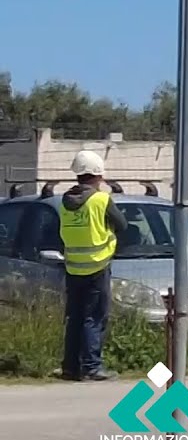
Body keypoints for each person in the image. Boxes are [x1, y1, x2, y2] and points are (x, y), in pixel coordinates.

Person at [59, 150, 128, 382]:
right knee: (95, 318)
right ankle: (92, 367)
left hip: (73, 267)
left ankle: (70, 367)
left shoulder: (65, 201)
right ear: (98, 175)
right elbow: (122, 224)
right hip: (97, 266)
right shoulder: (101, 199)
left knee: (75, 317)